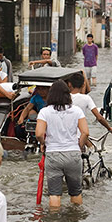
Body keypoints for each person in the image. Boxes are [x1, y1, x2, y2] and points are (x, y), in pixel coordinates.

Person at [35, 80, 89, 208]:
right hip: (73, 154)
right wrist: (79, 146)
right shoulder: (76, 111)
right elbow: (85, 132)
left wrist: (43, 143)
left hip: (53, 155)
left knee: (54, 194)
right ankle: (75, 220)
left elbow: (38, 134)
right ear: (67, 94)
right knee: (75, 192)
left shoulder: (44, 112)